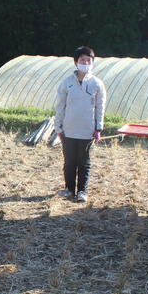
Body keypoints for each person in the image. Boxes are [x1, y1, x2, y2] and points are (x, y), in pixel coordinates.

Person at [54, 47, 107, 202]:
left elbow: (100, 107)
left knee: (84, 162)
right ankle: (69, 189)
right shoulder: (67, 82)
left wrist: (98, 128)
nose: (86, 63)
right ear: (76, 62)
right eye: (82, 60)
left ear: (92, 62)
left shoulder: (97, 84)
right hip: (68, 129)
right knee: (69, 161)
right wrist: (58, 127)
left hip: (87, 130)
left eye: (88, 60)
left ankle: (82, 191)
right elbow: (60, 106)